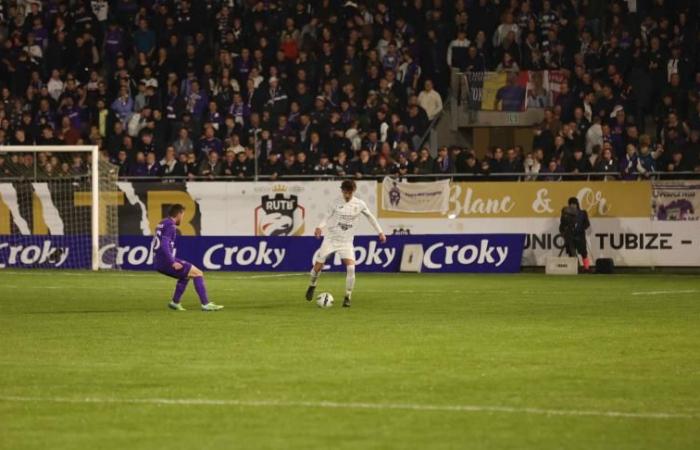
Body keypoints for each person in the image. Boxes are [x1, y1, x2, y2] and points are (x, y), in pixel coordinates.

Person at [306, 180, 386, 307]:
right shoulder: (335, 202)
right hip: (331, 239)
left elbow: (370, 217)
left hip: (346, 242)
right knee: (318, 267)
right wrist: (319, 227)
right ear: (342, 191)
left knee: (351, 268)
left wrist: (380, 232)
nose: (347, 195)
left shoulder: (359, 204)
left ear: (353, 191)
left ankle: (348, 296)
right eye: (345, 192)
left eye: (349, 192)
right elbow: (327, 216)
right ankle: (312, 285)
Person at [153, 204, 224, 311]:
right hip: (165, 261)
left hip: (159, 260)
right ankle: (205, 304)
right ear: (179, 214)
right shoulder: (171, 226)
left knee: (185, 276)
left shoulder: (162, 223)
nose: (183, 218)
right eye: (183, 215)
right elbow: (164, 244)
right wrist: (172, 262)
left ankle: (175, 303)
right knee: (198, 273)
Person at [559, 197, 591, 272]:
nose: (573, 206)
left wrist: (580, 227)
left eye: (574, 204)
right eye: (571, 204)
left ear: (577, 204)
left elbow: (587, 224)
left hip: (580, 236)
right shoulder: (566, 213)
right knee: (571, 253)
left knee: (584, 253)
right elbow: (562, 224)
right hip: (570, 236)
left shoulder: (583, 213)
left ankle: (586, 268)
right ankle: (576, 268)